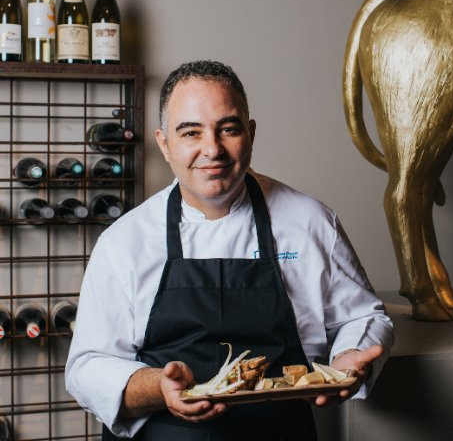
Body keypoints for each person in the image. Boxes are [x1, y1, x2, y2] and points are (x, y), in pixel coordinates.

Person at [66, 60, 394, 440]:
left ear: (250, 133)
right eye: (191, 132)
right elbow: (87, 367)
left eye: (228, 129)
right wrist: (158, 387)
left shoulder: (310, 222)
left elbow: (362, 316)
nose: (212, 149)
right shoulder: (124, 242)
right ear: (164, 144)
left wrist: (351, 355)